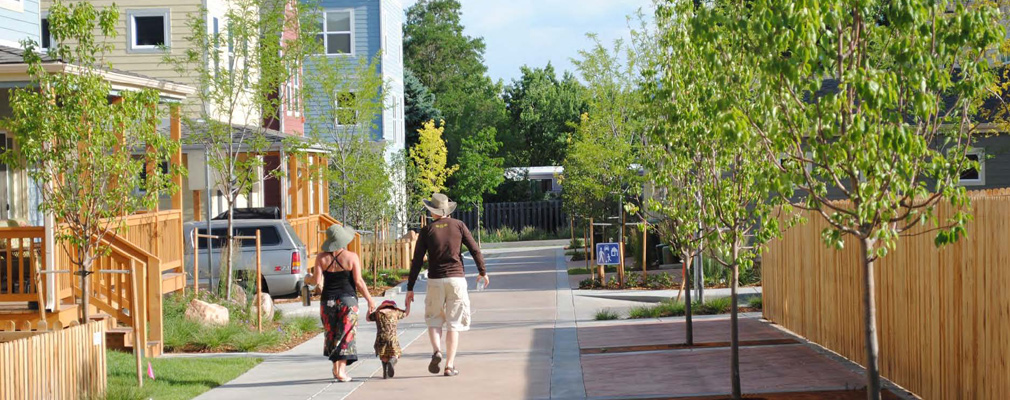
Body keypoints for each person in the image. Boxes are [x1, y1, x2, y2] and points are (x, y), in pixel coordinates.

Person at [405, 193, 490, 377]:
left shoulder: (427, 230)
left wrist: (410, 288)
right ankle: (449, 366)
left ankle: (437, 350)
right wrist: (482, 271)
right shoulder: (459, 225)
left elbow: (417, 261)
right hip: (456, 279)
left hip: (435, 280)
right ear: (447, 210)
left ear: (432, 211)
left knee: (434, 319)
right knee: (454, 323)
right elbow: (474, 249)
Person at [305, 224, 376, 382]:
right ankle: (341, 371)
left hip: (327, 301)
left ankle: (337, 369)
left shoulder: (321, 258)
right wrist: (370, 300)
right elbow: (358, 281)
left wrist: (306, 278)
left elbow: (316, 281)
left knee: (331, 334)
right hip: (348, 301)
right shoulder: (351, 257)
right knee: (345, 334)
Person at [367, 299, 411, 379]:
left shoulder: (377, 313)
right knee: (396, 354)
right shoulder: (396, 312)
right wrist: (408, 303)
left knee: (383, 356)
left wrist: (369, 308)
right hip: (392, 338)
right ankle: (392, 361)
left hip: (380, 338)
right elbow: (406, 313)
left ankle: (385, 373)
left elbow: (368, 318)